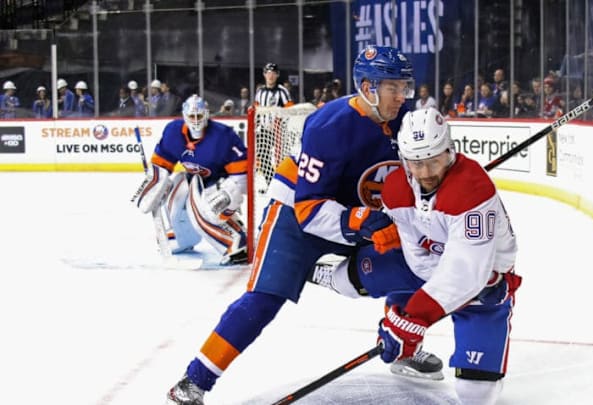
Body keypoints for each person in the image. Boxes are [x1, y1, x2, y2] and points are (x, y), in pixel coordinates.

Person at [166, 45, 442, 404]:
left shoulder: (405, 117)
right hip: (295, 212)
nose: (402, 95)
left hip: (358, 209)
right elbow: (308, 209)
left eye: (404, 87)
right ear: (368, 88)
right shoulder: (330, 125)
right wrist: (358, 220)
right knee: (265, 299)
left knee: (415, 255)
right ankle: (193, 381)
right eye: (394, 87)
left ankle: (403, 346)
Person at [314, 107, 521, 404]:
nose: (425, 173)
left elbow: (465, 272)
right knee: (352, 278)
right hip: (420, 265)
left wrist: (412, 318)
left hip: (483, 282)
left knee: (476, 393)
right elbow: (412, 249)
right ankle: (325, 275)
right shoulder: (397, 188)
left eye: (434, 161)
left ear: (449, 151)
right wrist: (403, 316)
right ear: (404, 159)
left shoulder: (472, 190)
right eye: (416, 163)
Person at [134, 95, 249, 266]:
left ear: (206, 115)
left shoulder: (223, 136)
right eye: (191, 116)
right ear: (184, 116)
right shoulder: (173, 132)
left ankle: (237, 240)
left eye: (199, 116)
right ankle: (183, 238)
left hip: (217, 183)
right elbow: (161, 164)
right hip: (193, 179)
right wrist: (154, 186)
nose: (195, 121)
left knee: (207, 207)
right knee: (176, 193)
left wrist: (229, 194)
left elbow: (242, 176)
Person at [254, 62, 295, 188]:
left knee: (281, 158)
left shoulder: (282, 92)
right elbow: (256, 110)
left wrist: (282, 122)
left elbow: (290, 109)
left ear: (277, 75)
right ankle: (272, 184)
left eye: (273, 73)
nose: (270, 76)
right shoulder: (260, 92)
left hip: (279, 130)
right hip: (263, 130)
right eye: (268, 73)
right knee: (262, 156)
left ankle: (282, 184)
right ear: (264, 74)